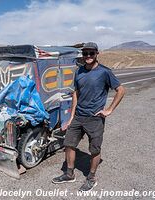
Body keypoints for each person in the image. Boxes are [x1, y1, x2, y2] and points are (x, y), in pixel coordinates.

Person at [52, 42, 125, 191]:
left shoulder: (105, 72)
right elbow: (75, 94)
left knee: (94, 149)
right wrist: (71, 117)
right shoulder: (79, 72)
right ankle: (69, 174)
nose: (88, 56)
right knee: (69, 144)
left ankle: (91, 178)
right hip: (78, 116)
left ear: (97, 53)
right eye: (85, 53)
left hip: (95, 118)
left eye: (91, 53)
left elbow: (121, 90)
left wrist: (109, 110)